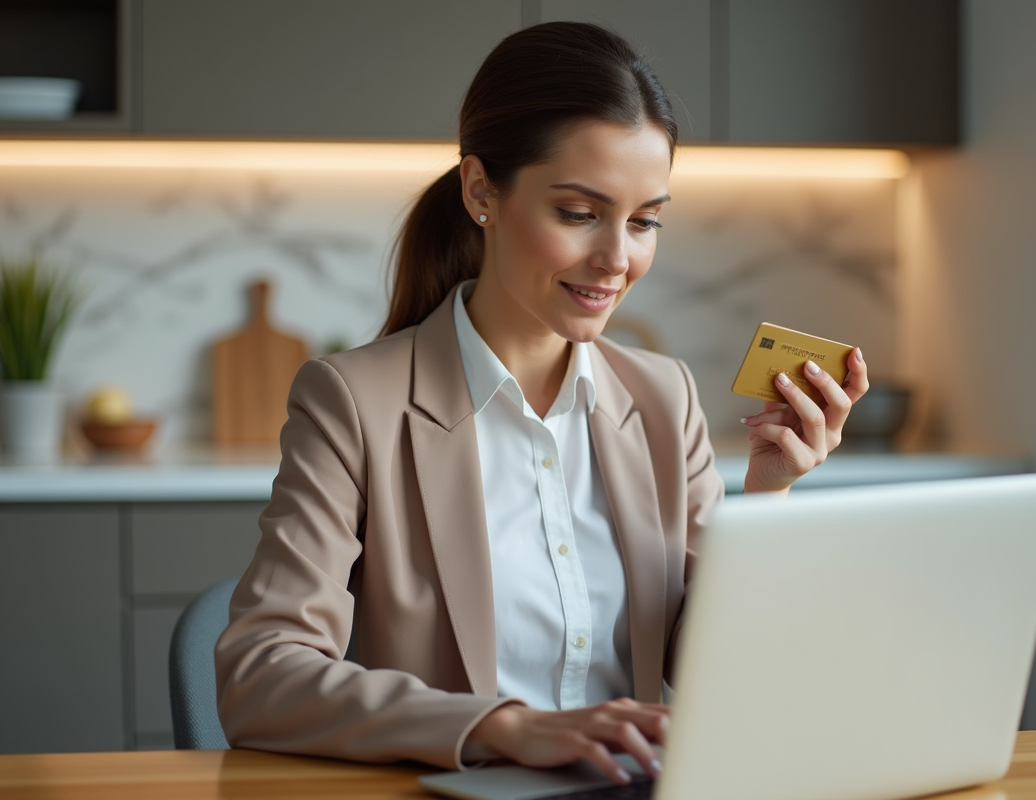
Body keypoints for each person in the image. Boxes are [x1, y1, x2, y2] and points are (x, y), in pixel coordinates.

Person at [214, 21, 869, 786]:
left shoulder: (664, 397)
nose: (618, 260)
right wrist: (507, 728)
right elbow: (259, 677)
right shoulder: (354, 403)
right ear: (481, 191)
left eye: (646, 220)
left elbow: (721, 673)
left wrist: (769, 498)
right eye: (579, 213)